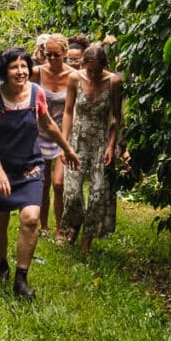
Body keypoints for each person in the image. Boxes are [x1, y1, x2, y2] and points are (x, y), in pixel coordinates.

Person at [0, 47, 80, 300]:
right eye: (15, 67)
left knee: (31, 218)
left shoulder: (36, 93)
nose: (21, 71)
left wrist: (67, 149)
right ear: (5, 71)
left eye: (24, 66)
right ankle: (2, 265)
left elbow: (47, 122)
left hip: (30, 166)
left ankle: (21, 279)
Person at [60, 43, 124, 254]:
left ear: (104, 65)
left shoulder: (114, 81)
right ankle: (74, 225)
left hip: (101, 142)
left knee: (98, 192)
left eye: (98, 70)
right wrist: (64, 143)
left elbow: (116, 116)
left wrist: (112, 145)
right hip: (77, 139)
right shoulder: (75, 78)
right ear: (84, 64)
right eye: (90, 70)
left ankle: (87, 239)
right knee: (72, 192)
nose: (94, 74)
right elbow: (68, 112)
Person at [31, 33, 75, 241]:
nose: (51, 59)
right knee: (43, 181)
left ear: (64, 53)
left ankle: (60, 228)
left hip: (62, 132)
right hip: (39, 133)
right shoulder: (37, 73)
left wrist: (65, 142)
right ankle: (44, 226)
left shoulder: (74, 76)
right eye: (47, 54)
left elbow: (71, 109)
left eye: (56, 55)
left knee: (58, 184)